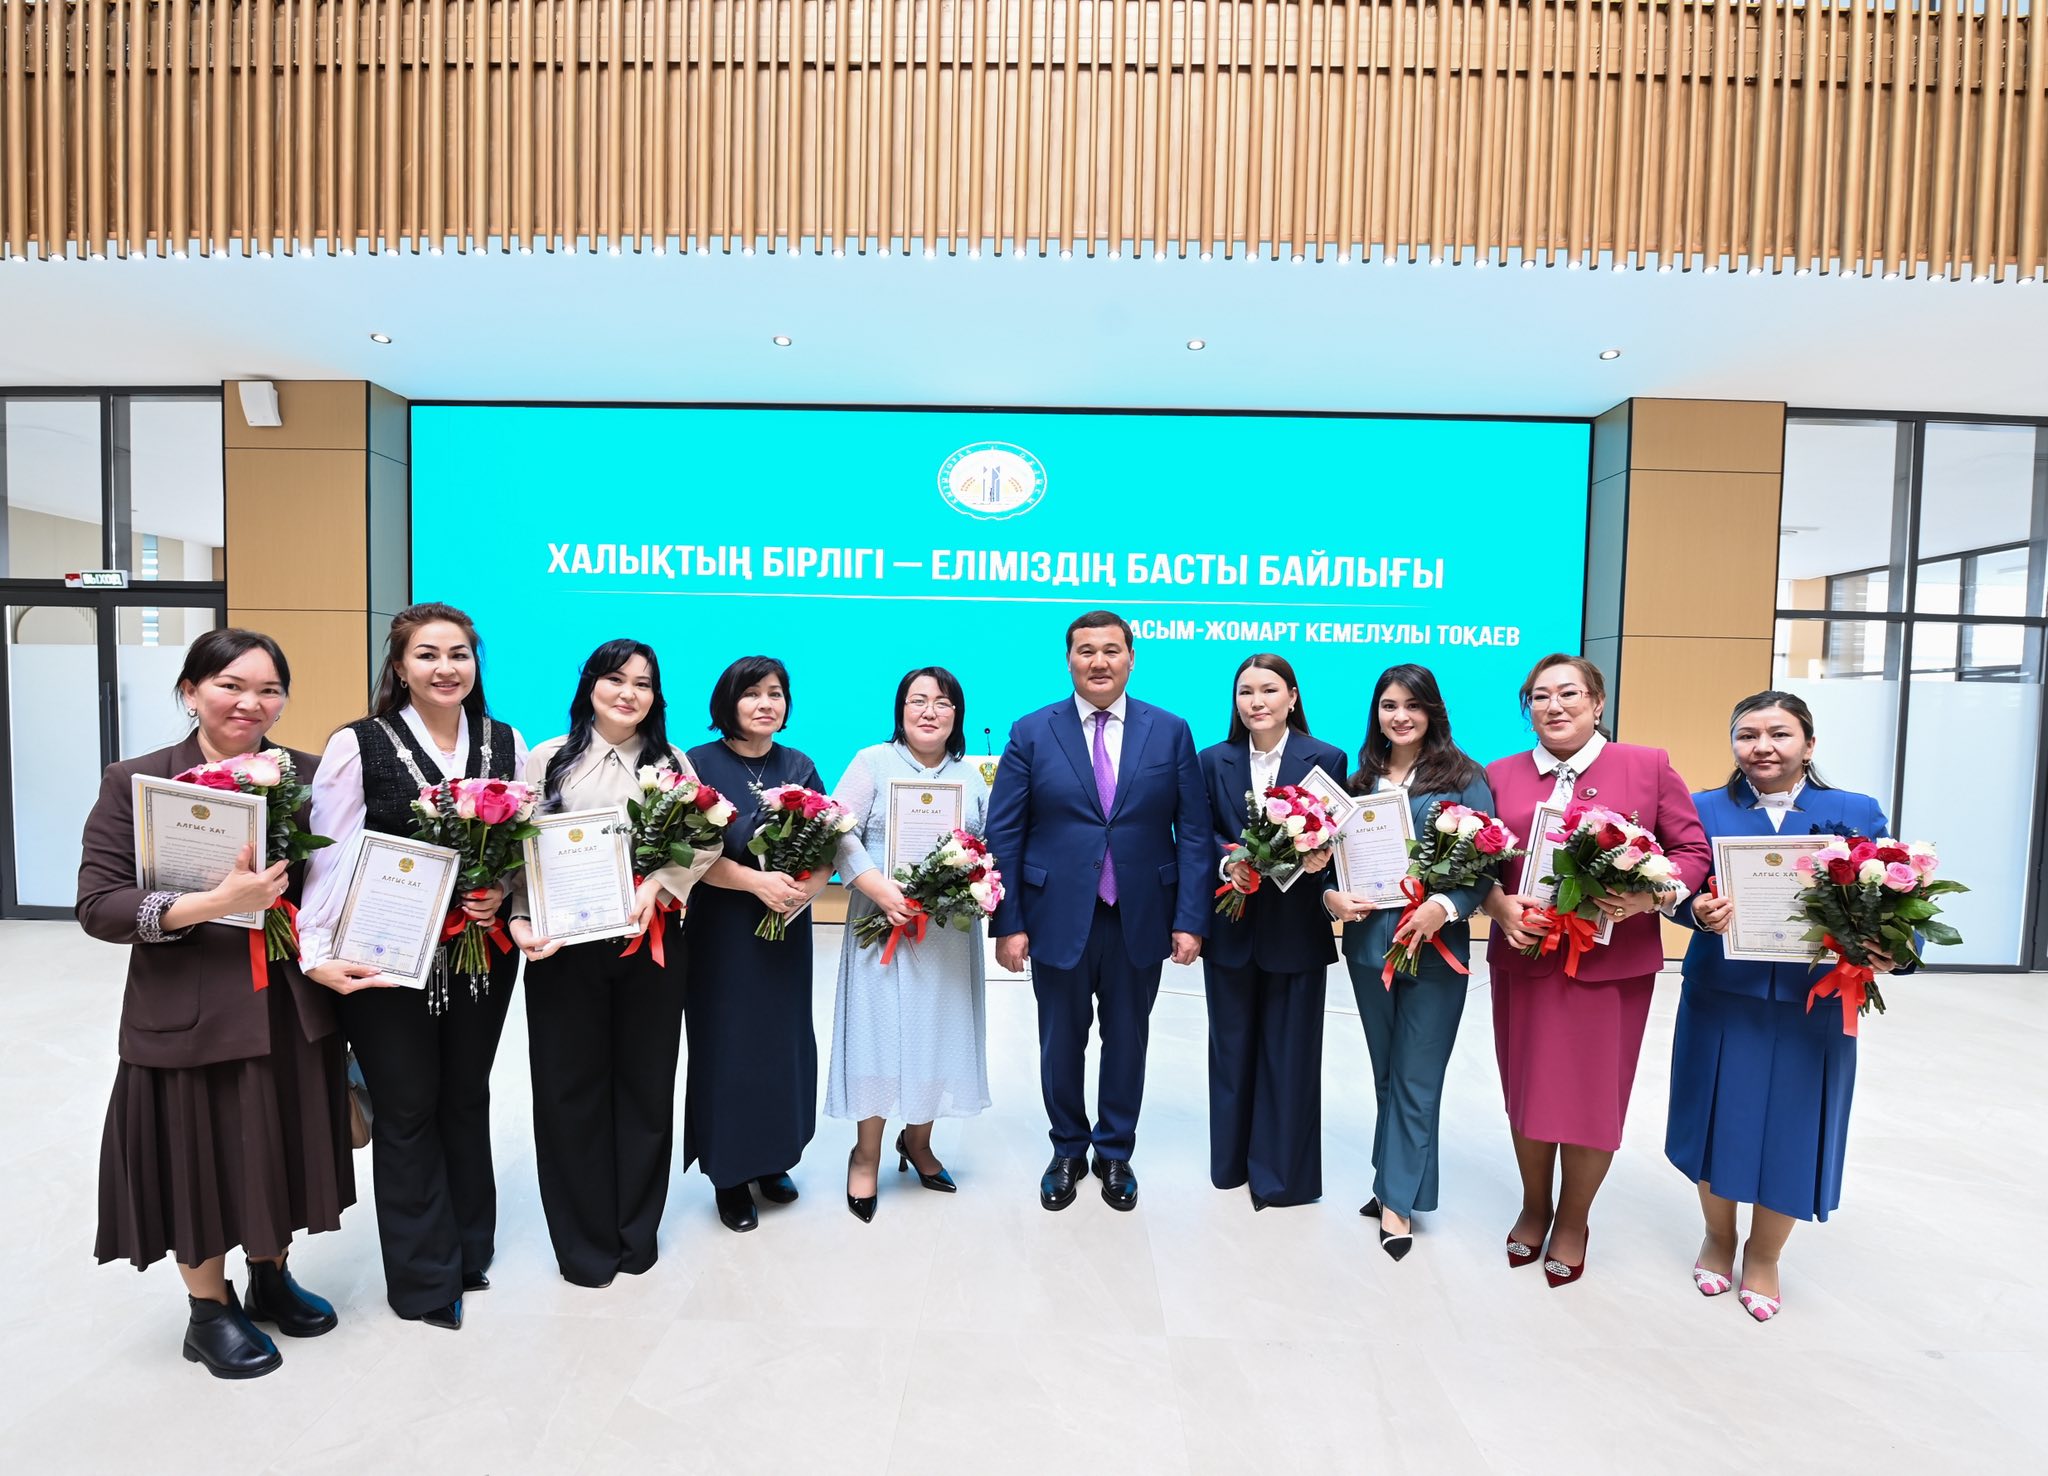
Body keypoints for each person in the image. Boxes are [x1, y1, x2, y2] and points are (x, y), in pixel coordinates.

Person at [79, 628, 355, 1378]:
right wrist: (210, 904)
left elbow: (338, 885)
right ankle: (208, 1310)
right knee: (196, 1157)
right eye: (230, 685)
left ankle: (271, 1277)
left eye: (268, 690)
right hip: (188, 1010)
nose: (249, 703)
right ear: (190, 691)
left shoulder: (308, 776)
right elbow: (99, 905)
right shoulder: (138, 782)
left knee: (278, 1144)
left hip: (288, 1006)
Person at [299, 602, 527, 1330]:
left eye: (459, 654)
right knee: (406, 1106)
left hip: (479, 952)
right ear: (399, 666)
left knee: (465, 1094)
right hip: (384, 953)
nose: (445, 668)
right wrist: (316, 950)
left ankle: (468, 1247)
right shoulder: (358, 743)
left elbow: (520, 842)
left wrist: (500, 892)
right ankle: (424, 1279)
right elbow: (329, 855)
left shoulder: (505, 740)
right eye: (427, 654)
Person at [1666, 690, 1898, 1323]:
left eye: (1779, 734)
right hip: (1722, 995)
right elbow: (1672, 888)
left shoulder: (1852, 812)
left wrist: (1893, 949)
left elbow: (1896, 893)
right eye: (1747, 735)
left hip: (1813, 1001)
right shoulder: (1702, 808)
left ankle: (1765, 1255)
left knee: (1795, 1127)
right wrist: (1694, 911)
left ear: (1809, 744)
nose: (1762, 747)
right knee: (1717, 1118)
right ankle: (1718, 1238)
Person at [1480, 653, 1709, 1287]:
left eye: (1569, 693)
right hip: (1527, 956)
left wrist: (1649, 896)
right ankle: (1535, 1206)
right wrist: (1496, 905)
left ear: (1597, 702)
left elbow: (1691, 850)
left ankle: (1574, 1219)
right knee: (1528, 1089)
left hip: (1611, 965)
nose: (1554, 706)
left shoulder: (1646, 765)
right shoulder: (1499, 774)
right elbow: (1480, 864)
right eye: (1540, 696)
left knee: (1592, 1097)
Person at [507, 640, 717, 1285]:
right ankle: (584, 1243)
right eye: (615, 679)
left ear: (656, 697)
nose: (629, 693)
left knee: (646, 1088)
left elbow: (706, 838)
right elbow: (520, 850)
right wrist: (519, 918)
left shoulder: (671, 762)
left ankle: (635, 1233)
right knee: (568, 1092)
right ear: (590, 685)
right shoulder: (547, 759)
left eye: (643, 684)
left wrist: (663, 884)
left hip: (650, 943)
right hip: (564, 950)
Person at [984, 610, 1209, 1212]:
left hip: (1141, 914)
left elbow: (1192, 833)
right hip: (1054, 915)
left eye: (1111, 650)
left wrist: (1190, 919)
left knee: (1128, 1041)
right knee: (1060, 1041)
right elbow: (1005, 833)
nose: (1099, 662)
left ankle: (1114, 1151)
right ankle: (1067, 1148)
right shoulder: (1033, 731)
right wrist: (1009, 922)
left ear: (1131, 658)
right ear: (1069, 661)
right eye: (1086, 651)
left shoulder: (1170, 730)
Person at [1324, 663, 1495, 1260]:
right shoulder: (1356, 781)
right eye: (1389, 705)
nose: (1400, 716)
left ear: (1432, 712)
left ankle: (1396, 1202)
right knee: (1387, 1074)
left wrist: (1443, 907)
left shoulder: (1465, 778)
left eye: (1413, 705)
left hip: (1434, 949)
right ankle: (1395, 1182)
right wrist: (1330, 897)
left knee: (1417, 1077)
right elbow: (1331, 862)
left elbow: (1486, 863)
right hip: (1368, 947)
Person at [827, 667, 992, 1222]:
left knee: (936, 1034)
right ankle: (866, 1153)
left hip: (945, 933)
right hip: (880, 923)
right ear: (900, 710)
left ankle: (918, 1142)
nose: (929, 711)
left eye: (942, 702)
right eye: (917, 700)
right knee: (876, 1036)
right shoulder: (871, 762)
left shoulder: (970, 777)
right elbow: (838, 830)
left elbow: (984, 845)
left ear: (956, 715)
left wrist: (968, 882)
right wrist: (878, 887)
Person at [682, 656, 830, 1233]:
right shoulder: (698, 763)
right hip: (722, 929)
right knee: (728, 1044)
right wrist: (755, 882)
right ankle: (728, 1174)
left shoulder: (799, 765)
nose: (766, 703)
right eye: (752, 693)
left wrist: (804, 890)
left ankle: (773, 1160)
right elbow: (687, 854)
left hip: (785, 929)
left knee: (781, 1043)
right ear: (728, 701)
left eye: (775, 693)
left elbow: (828, 844)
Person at [1196, 653, 1346, 1211]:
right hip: (1231, 926)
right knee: (1230, 1053)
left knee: (1291, 1057)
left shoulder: (1326, 757)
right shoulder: (1213, 760)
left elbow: (1337, 840)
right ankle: (1232, 1165)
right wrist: (1227, 861)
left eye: (1268, 690)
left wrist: (1322, 861)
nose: (1256, 702)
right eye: (1245, 692)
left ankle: (1283, 1176)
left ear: (1292, 696)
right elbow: (1198, 833)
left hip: (1296, 929)